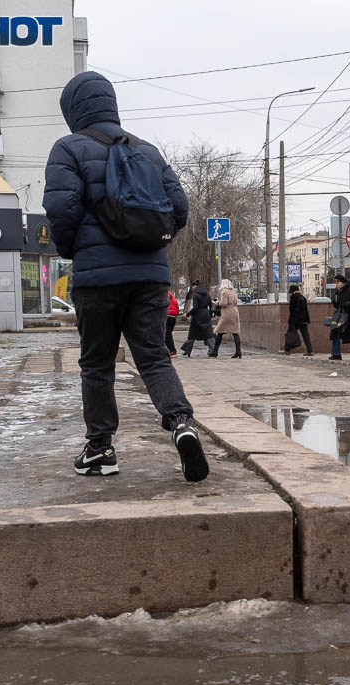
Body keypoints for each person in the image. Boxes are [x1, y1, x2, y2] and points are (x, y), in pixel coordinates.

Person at [43, 71, 208, 482]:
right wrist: (149, 240)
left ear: (73, 109)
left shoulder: (68, 149)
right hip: (150, 277)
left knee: (97, 364)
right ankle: (182, 423)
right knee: (152, 356)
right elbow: (180, 209)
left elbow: (62, 211)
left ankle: (100, 449)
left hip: (97, 279)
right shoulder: (147, 151)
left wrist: (75, 249)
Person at [180, 280, 215, 357]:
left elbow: (195, 308)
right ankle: (213, 350)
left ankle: (187, 350)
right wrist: (210, 314)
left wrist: (187, 314)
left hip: (197, 316)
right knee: (208, 333)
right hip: (205, 314)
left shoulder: (195, 295)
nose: (192, 288)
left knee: (193, 333)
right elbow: (211, 305)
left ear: (195, 286)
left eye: (193, 287)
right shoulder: (207, 294)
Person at [208, 278, 241, 358]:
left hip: (227, 313)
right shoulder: (233, 291)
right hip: (234, 311)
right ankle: (238, 351)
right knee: (235, 332)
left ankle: (215, 352)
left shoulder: (224, 291)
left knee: (219, 331)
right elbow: (236, 301)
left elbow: (223, 304)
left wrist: (217, 303)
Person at [286, 284, 314, 356]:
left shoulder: (293, 297)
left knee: (289, 334)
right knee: (305, 335)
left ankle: (287, 349)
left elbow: (293, 310)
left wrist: (291, 320)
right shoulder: (303, 297)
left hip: (296, 320)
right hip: (304, 320)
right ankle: (310, 351)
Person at [165, 289, 179, 357]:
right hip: (173, 318)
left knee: (167, 335)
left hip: (166, 317)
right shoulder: (174, 300)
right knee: (168, 335)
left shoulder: (164, 298)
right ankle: (169, 350)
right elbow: (177, 309)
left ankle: (172, 350)